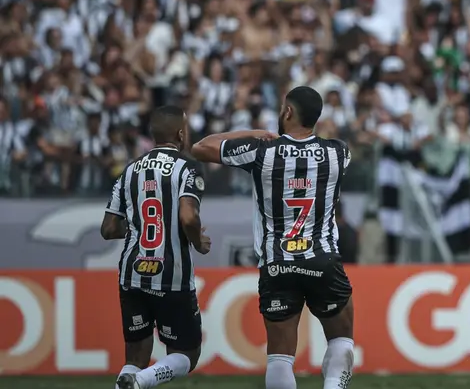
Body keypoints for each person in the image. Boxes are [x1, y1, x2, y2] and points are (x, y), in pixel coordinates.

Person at [192, 86, 355, 389]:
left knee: (280, 357)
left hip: (278, 265)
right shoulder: (338, 152)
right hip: (323, 260)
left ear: (288, 112)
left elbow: (200, 147)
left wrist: (253, 132)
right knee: (341, 339)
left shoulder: (262, 151)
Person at [100, 106, 212, 389]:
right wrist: (198, 240)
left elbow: (109, 229)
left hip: (132, 273)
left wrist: (138, 225)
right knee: (187, 353)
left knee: (136, 352)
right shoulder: (187, 168)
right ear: (180, 133)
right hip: (170, 276)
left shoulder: (128, 171)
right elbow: (188, 216)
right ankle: (141, 382)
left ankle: (129, 381)